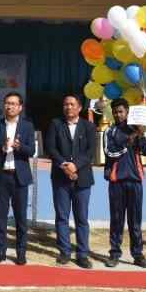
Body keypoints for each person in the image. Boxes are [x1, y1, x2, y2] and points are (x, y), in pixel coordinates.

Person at [45, 94, 96, 268]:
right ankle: (64, 252)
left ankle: (82, 254)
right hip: (60, 178)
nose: (68, 107)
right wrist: (65, 165)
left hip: (83, 179)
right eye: (66, 104)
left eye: (72, 104)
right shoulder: (55, 124)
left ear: (79, 108)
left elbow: (90, 151)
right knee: (62, 217)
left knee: (82, 218)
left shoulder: (89, 126)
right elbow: (50, 148)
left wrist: (76, 166)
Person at [0, 92, 35, 265]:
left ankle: (21, 252)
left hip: (19, 177)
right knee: (1, 217)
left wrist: (19, 147)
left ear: (20, 107)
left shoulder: (27, 126)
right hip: (1, 176)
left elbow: (32, 150)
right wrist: (2, 147)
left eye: (13, 104)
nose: (10, 106)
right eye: (7, 103)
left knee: (21, 218)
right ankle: (0, 251)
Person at [103, 97, 146, 269]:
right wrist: (127, 142)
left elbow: (145, 151)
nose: (118, 115)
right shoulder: (110, 131)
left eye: (121, 111)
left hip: (135, 181)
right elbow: (109, 152)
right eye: (115, 112)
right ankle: (114, 254)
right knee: (117, 219)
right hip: (116, 181)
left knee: (135, 221)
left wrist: (141, 134)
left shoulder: (136, 130)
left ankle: (138, 255)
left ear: (127, 112)